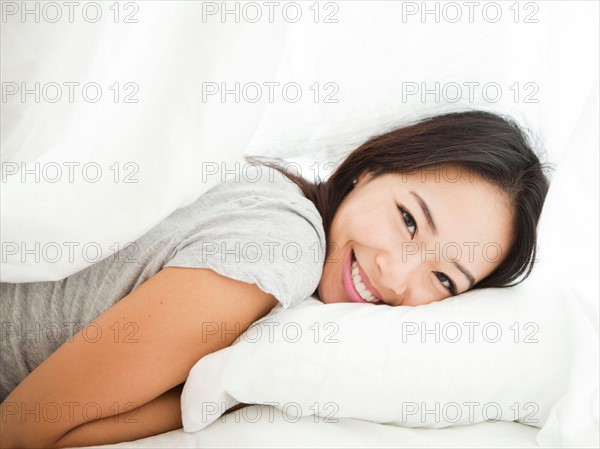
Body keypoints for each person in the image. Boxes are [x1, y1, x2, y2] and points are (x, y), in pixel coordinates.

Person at [0, 109, 550, 448]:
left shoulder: (277, 208)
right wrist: (237, 395)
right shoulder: (283, 245)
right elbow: (24, 429)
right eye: (408, 220)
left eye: (444, 279)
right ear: (369, 170)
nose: (397, 273)